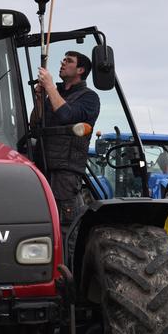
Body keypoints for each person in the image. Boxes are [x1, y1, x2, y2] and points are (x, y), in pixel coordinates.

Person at [33, 51, 100, 226]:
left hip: (65, 173)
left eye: (69, 61)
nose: (62, 63)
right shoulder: (54, 96)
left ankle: (65, 255)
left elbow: (66, 115)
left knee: (63, 225)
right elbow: (35, 124)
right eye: (63, 59)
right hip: (42, 166)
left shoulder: (89, 98)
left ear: (80, 70)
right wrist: (39, 99)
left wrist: (49, 87)